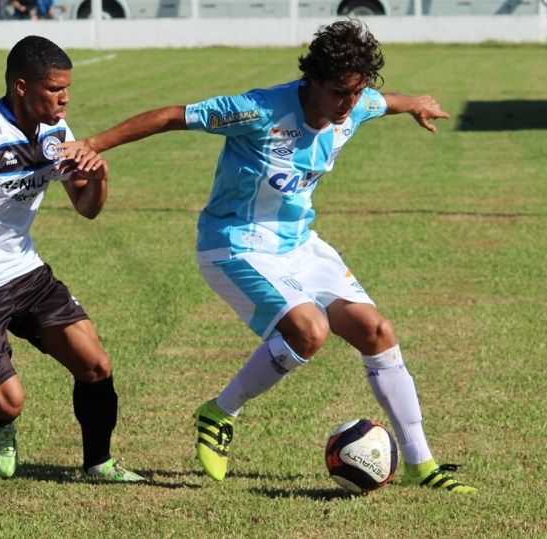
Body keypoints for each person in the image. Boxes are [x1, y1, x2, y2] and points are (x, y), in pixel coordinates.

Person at [57, 20, 477, 493]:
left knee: (377, 330)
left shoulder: (356, 106)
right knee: (309, 331)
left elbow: (386, 103)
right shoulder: (256, 110)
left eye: (356, 93)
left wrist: (416, 103)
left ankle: (424, 466)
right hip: (233, 244)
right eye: (340, 92)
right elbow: (173, 116)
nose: (349, 104)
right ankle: (220, 413)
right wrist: (90, 145)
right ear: (312, 81)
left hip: (299, 243)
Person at [0, 35, 144, 483]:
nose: (65, 98)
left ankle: (98, 463)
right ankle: (0, 426)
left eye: (67, 88)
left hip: (24, 271)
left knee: (96, 364)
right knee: (9, 401)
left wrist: (100, 177)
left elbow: (86, 207)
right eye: (54, 89)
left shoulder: (58, 134)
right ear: (21, 87)